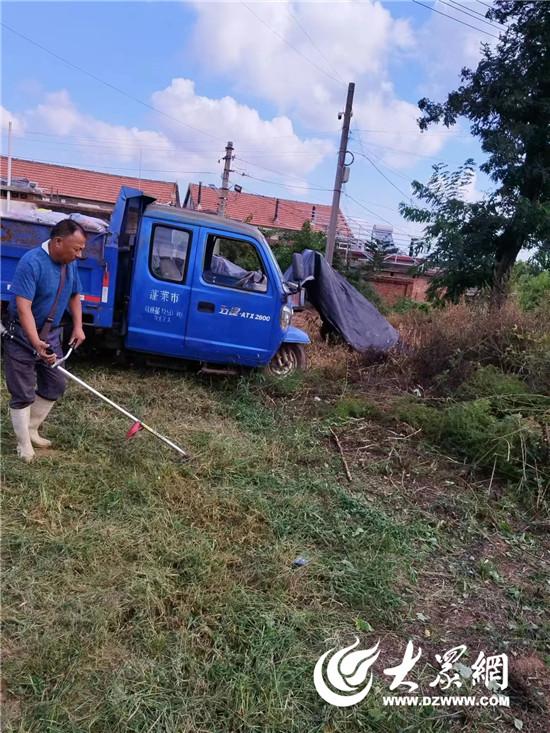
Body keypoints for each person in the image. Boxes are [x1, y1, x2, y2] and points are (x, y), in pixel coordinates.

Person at [4, 219, 87, 461]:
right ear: (58, 242)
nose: (79, 254)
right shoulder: (31, 263)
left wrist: (79, 327)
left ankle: (31, 428)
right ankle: (22, 445)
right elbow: (23, 308)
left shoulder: (68, 262)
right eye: (77, 248)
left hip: (50, 334)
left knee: (56, 383)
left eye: (82, 249)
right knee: (23, 391)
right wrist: (34, 341)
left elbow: (74, 295)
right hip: (21, 334)